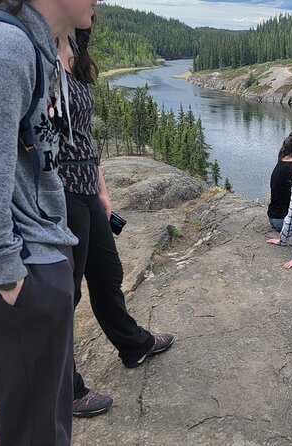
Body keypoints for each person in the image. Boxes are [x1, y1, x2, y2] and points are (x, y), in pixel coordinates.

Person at [56, 26, 175, 418]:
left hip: (86, 188)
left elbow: (83, 133)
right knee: (63, 295)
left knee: (108, 272)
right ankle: (65, 390)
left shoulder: (70, 45)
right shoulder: (28, 48)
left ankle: (133, 344)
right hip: (56, 194)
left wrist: (102, 187)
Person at [0, 0, 94, 443]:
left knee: (43, 422)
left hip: (40, 256)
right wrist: (7, 270)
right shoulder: (7, 47)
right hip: (25, 270)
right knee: (34, 431)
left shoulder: (35, 46)